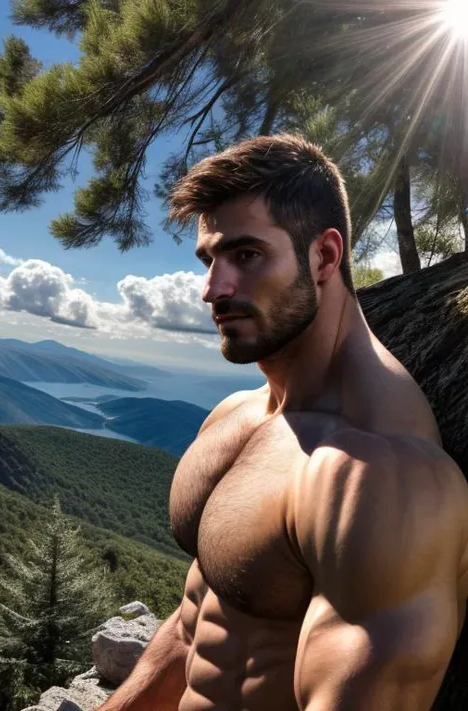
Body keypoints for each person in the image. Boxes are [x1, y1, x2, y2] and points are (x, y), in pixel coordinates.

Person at [98, 134, 468, 711]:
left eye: (245, 256)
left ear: (324, 256)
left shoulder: (377, 477)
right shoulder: (235, 414)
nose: (212, 290)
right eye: (209, 260)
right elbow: (199, 619)